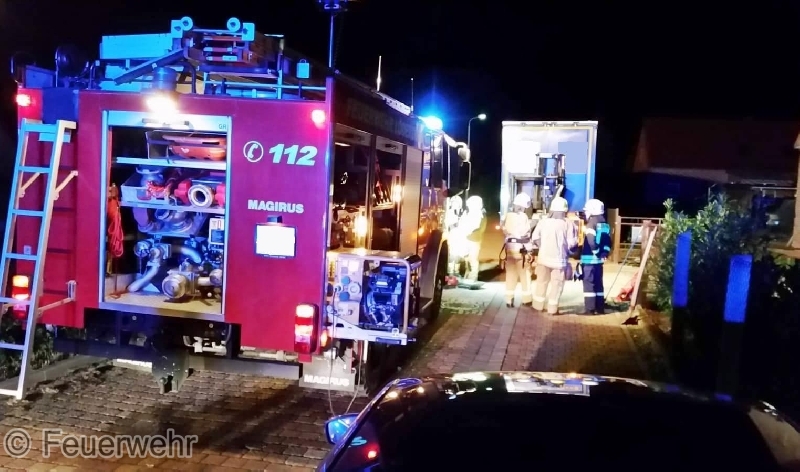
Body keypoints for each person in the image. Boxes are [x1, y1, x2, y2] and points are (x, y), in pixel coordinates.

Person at [530, 196, 578, 315]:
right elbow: (572, 244)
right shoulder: (568, 224)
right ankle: (552, 309)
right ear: (565, 210)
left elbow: (535, 238)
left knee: (541, 282)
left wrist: (543, 247)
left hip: (543, 259)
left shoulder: (543, 222)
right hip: (559, 261)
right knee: (557, 285)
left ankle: (537, 306)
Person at [580, 198, 612, 314]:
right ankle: (600, 308)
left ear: (592, 210)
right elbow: (608, 242)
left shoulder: (591, 223)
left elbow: (591, 241)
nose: (585, 213)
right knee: (599, 284)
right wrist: (604, 253)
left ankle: (590, 309)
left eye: (587, 210)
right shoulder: (605, 224)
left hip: (589, 260)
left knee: (589, 284)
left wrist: (596, 252)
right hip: (599, 262)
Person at [502, 193, 534, 307]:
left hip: (510, 251)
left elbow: (506, 231)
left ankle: (509, 299)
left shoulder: (507, 216)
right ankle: (527, 299)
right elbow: (525, 234)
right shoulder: (523, 217)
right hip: (521, 251)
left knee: (511, 275)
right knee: (525, 275)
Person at [461, 196, 487, 281]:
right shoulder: (468, 213)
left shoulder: (480, 215)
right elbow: (462, 223)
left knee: (473, 258)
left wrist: (469, 231)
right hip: (466, 238)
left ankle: (473, 277)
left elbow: (479, 228)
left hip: (474, 240)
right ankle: (467, 275)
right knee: (466, 258)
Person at [445, 195, 464, 275]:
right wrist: (454, 225)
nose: (456, 205)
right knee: (452, 254)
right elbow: (446, 225)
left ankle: (456, 271)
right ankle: (450, 272)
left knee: (458, 255)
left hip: (460, 237)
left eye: (457, 203)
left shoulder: (462, 213)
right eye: (454, 203)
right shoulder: (449, 213)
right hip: (452, 236)